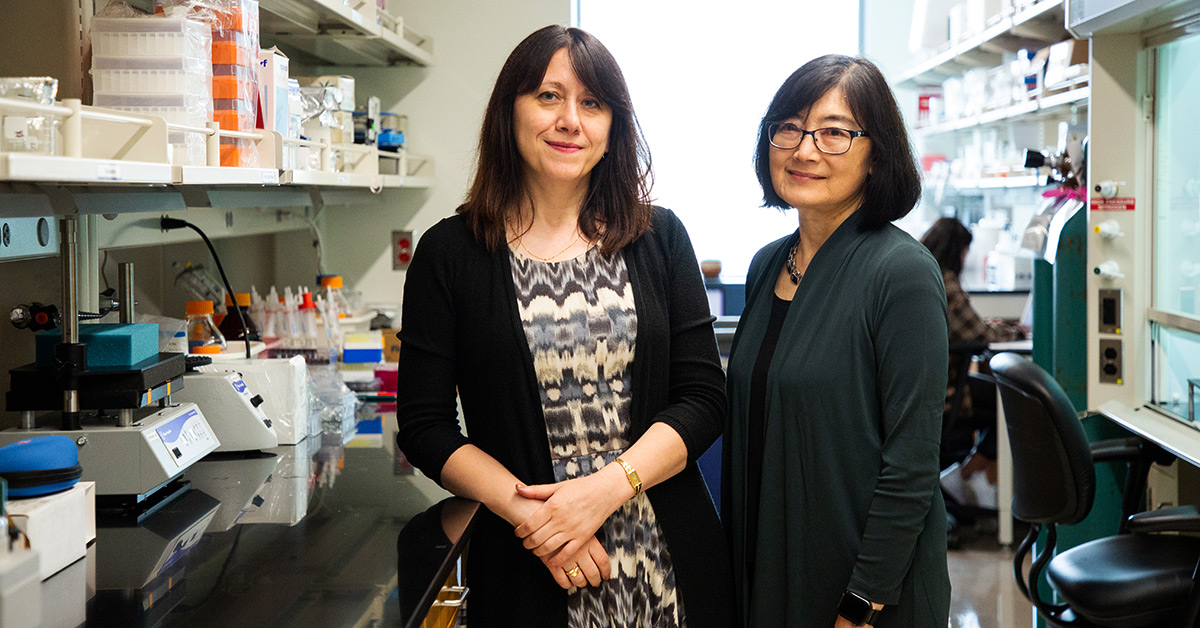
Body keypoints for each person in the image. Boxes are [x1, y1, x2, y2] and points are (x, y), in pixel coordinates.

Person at [395, 25, 733, 627]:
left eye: (592, 103)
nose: (570, 120)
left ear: (613, 127)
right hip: (529, 559)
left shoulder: (659, 238)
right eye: (548, 96)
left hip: (667, 565)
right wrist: (540, 521)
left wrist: (601, 492)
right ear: (510, 111)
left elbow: (704, 399)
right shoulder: (450, 252)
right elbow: (424, 424)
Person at [723, 54, 951, 628]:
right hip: (772, 568)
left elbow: (912, 460)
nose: (804, 150)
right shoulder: (766, 265)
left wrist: (862, 602)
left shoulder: (901, 272)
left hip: (863, 593)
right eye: (789, 128)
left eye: (834, 133)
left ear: (877, 155)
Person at [920, 217, 1026, 509]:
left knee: (1000, 398)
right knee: (1012, 401)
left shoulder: (921, 273)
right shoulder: (946, 282)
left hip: (922, 385)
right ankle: (961, 474)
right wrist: (1016, 331)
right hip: (946, 390)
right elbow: (978, 335)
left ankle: (960, 476)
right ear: (958, 250)